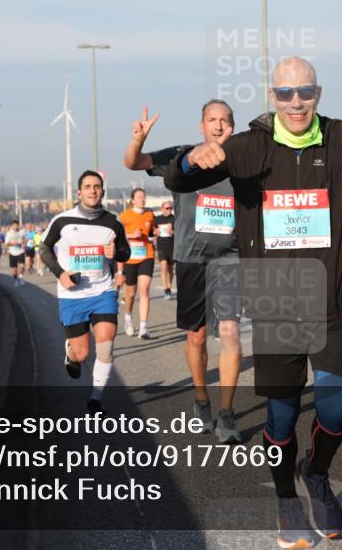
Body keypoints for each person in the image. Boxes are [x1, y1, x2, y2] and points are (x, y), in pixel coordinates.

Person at [165, 57, 342, 546]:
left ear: (318, 93)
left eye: (304, 92)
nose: (295, 103)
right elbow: (179, 181)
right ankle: (286, 496)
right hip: (275, 300)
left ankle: (318, 474)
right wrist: (188, 161)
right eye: (285, 94)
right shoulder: (247, 147)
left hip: (334, 299)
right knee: (283, 415)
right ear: (272, 96)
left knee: (333, 410)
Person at [124, 102, 244, 444]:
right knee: (196, 336)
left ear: (232, 127)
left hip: (230, 257)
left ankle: (227, 413)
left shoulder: (242, 159)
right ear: (201, 125)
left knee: (231, 333)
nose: (218, 126)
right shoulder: (182, 154)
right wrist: (138, 140)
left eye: (225, 121)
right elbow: (134, 162)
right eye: (212, 120)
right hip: (190, 258)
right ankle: (201, 397)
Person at [38, 170, 130, 415]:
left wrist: (116, 255)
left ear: (102, 191)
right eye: (88, 186)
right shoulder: (62, 221)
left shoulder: (113, 222)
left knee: (106, 347)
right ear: (79, 192)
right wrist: (61, 273)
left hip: (103, 291)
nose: (92, 190)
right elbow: (44, 248)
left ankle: (95, 400)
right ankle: (71, 353)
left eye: (97, 186)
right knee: (82, 353)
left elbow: (125, 253)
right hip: (73, 294)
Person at [118, 188, 157, 338]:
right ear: (133, 200)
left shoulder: (149, 214)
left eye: (144, 197)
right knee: (131, 293)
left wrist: (156, 233)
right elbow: (118, 236)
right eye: (139, 197)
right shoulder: (125, 216)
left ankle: (143, 327)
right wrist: (131, 235)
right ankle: (128, 316)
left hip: (147, 255)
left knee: (144, 290)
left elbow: (152, 230)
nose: (142, 199)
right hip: (130, 258)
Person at [155, 200, 176, 300]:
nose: (169, 210)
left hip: (172, 247)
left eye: (170, 208)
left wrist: (173, 232)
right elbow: (152, 231)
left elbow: (180, 232)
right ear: (162, 209)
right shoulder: (157, 219)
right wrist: (155, 232)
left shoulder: (175, 219)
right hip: (161, 247)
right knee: (163, 268)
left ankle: (169, 287)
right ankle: (166, 289)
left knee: (170, 270)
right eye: (167, 208)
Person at [6, 220, 26, 287]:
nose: (15, 226)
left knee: (22, 266)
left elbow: (25, 239)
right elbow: (6, 243)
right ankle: (16, 280)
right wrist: (12, 243)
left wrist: (24, 243)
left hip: (21, 251)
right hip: (12, 252)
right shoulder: (9, 233)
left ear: (18, 225)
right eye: (14, 225)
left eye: (17, 225)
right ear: (12, 226)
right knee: (14, 269)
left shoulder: (22, 231)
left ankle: (20, 277)